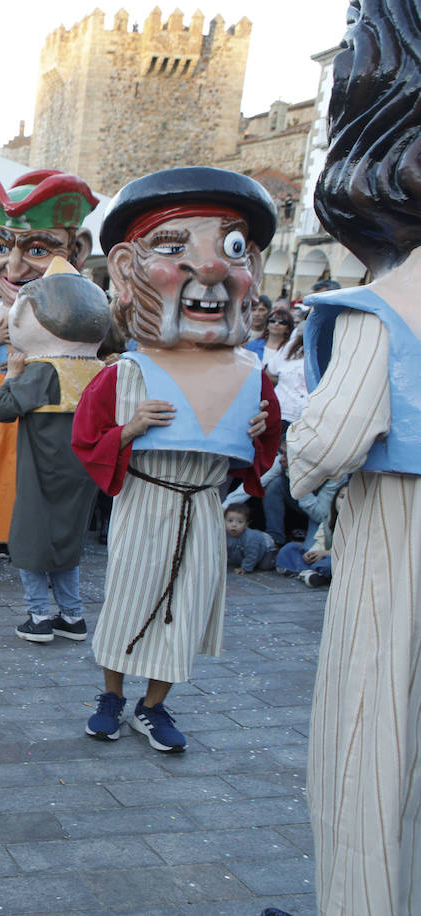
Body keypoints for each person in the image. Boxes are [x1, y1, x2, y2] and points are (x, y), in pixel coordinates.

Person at [284, 2, 421, 908]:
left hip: (397, 546)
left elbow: (323, 444)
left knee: (367, 763)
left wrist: (298, 460)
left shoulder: (396, 299)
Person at [73, 167, 281, 754]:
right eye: (174, 247)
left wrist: (262, 435)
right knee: (129, 602)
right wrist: (131, 429)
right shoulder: (126, 372)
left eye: (232, 248)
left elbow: (260, 452)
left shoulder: (252, 374)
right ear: (126, 269)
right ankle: (111, 697)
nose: (211, 268)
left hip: (204, 506)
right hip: (146, 500)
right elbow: (88, 443)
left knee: (183, 612)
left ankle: (154, 706)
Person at [0, 170, 98, 573]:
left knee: (39, 480)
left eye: (38, 251)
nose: (15, 268)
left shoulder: (82, 310)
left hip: (52, 410)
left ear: (77, 250)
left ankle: (34, 546)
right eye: (1, 246)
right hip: (1, 400)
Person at [0, 263, 108, 643]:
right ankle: (72, 616)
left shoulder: (43, 371)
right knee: (68, 541)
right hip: (82, 470)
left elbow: (2, 409)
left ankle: (39, 615)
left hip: (43, 469)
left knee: (31, 539)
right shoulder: (100, 368)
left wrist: (13, 374)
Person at [223, 505, 277, 574]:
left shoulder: (250, 538)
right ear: (224, 521)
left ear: (246, 524)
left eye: (240, 522)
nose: (234, 525)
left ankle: (277, 558)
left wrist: (245, 568)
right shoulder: (224, 534)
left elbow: (252, 554)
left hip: (266, 549)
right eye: (230, 521)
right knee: (238, 558)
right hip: (246, 552)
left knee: (265, 566)